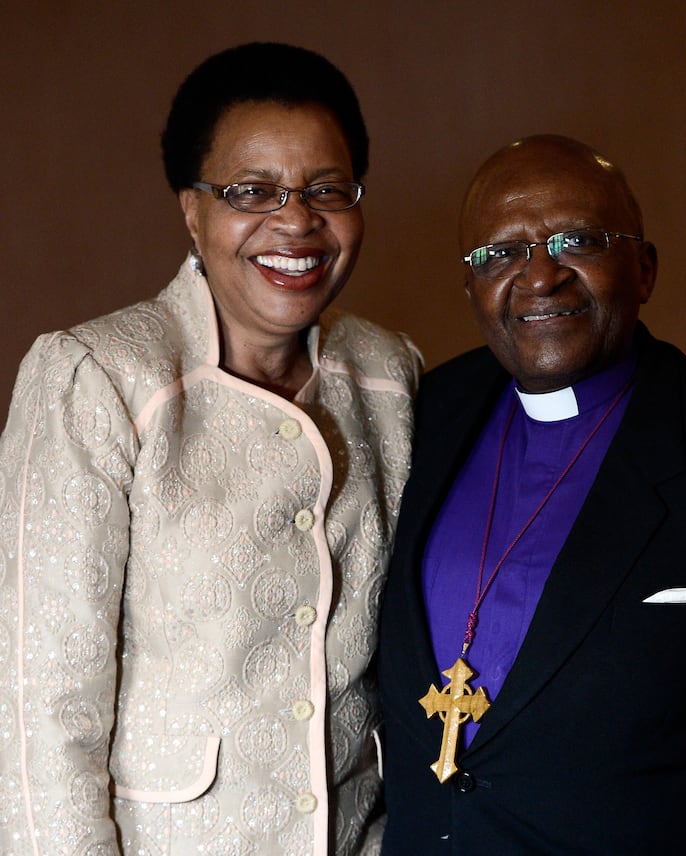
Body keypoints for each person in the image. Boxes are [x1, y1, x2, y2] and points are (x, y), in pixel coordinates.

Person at [0, 42, 421, 855]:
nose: (296, 221)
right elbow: (39, 710)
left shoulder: (388, 373)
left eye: (327, 190)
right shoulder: (98, 377)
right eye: (250, 192)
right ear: (191, 211)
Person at [378, 134, 686, 854]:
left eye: (577, 240)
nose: (540, 277)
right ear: (472, 288)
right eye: (501, 253)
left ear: (644, 268)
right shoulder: (418, 413)